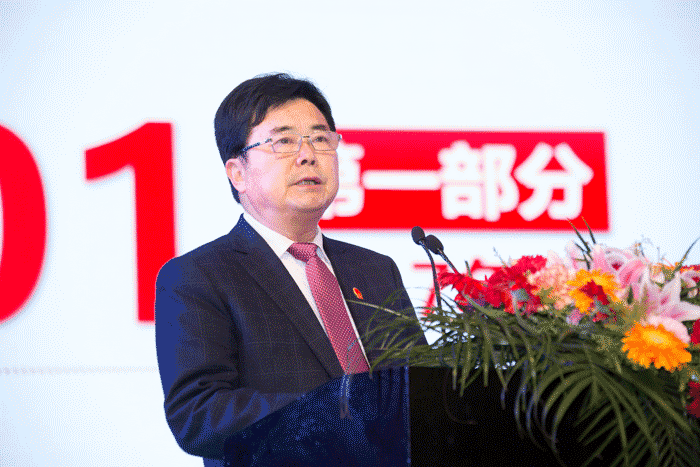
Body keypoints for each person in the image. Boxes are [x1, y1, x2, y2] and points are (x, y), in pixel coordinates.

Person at [155, 73, 426, 466]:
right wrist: (334, 413)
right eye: (283, 141)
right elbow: (199, 414)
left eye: (320, 138)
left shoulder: (375, 270)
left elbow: (419, 390)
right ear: (238, 172)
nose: (308, 154)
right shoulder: (198, 276)